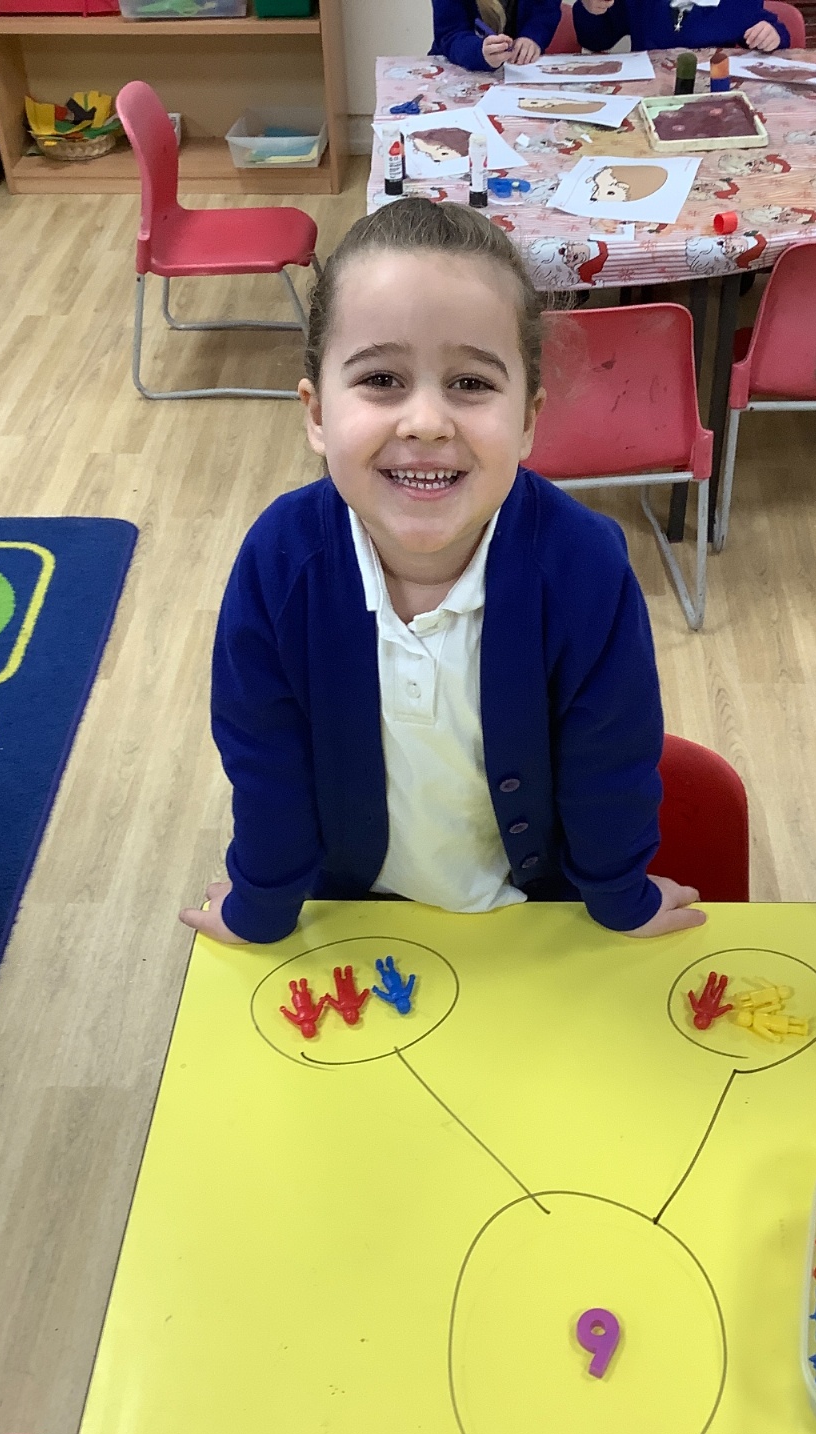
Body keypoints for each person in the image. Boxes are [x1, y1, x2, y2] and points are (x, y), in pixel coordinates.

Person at [181, 198, 706, 948]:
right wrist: (262, 907)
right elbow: (265, 763)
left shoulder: (585, 565)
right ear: (317, 413)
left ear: (528, 419)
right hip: (352, 917)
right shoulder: (278, 563)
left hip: (533, 917)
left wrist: (620, 896)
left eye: (471, 384)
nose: (427, 421)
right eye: (381, 379)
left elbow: (611, 760)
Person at [574, 0, 789, 55]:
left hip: (715, 96)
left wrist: (773, 35)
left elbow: (768, 30)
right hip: (648, 95)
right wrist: (591, 9)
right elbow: (596, 39)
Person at [432, 0, 563, 71]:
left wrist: (532, 38)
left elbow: (546, 12)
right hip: (458, 71)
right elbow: (450, 33)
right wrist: (479, 52)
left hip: (521, 72)